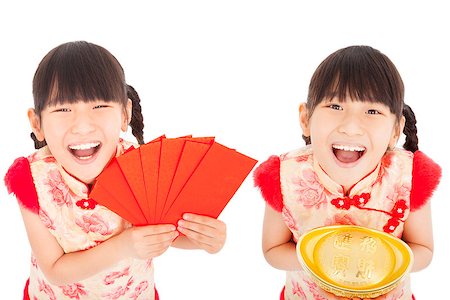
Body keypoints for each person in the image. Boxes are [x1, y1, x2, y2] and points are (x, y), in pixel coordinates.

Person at [4, 41, 226, 300]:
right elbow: (54, 269)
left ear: (124, 114)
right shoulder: (31, 180)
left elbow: (166, 233)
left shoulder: (142, 169)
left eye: (99, 107)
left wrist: (205, 239)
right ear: (37, 123)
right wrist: (124, 245)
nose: (83, 126)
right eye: (63, 109)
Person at [254, 45, 441, 300]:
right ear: (306, 118)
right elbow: (273, 249)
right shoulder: (284, 177)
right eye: (335, 106)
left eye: (372, 111)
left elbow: (423, 249)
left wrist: (382, 266)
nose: (351, 127)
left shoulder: (409, 177)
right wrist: (321, 264)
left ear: (396, 130)